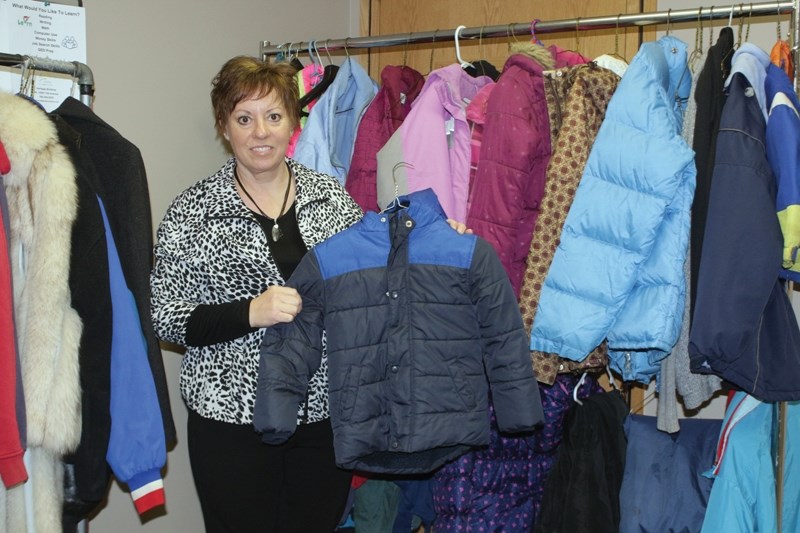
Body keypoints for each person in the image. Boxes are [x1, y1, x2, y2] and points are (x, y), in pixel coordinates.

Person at [150, 56, 362, 533]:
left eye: (273, 116)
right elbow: (164, 316)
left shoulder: (332, 199)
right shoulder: (192, 212)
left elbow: (371, 280)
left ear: (293, 123)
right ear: (225, 127)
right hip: (231, 420)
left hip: (321, 414)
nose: (260, 132)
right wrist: (250, 312)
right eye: (244, 118)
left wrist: (432, 235)